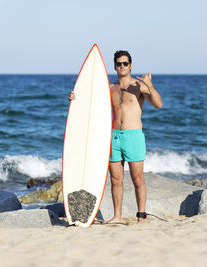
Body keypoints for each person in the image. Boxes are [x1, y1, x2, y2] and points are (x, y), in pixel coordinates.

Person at [69, 50, 162, 223]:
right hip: (114, 136)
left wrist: (150, 85)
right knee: (115, 179)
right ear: (115, 66)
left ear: (131, 65)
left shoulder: (139, 86)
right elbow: (91, 103)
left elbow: (158, 104)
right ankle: (117, 216)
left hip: (133, 136)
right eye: (119, 64)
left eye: (125, 63)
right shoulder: (110, 88)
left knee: (137, 179)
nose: (122, 66)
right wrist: (75, 98)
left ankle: (141, 216)